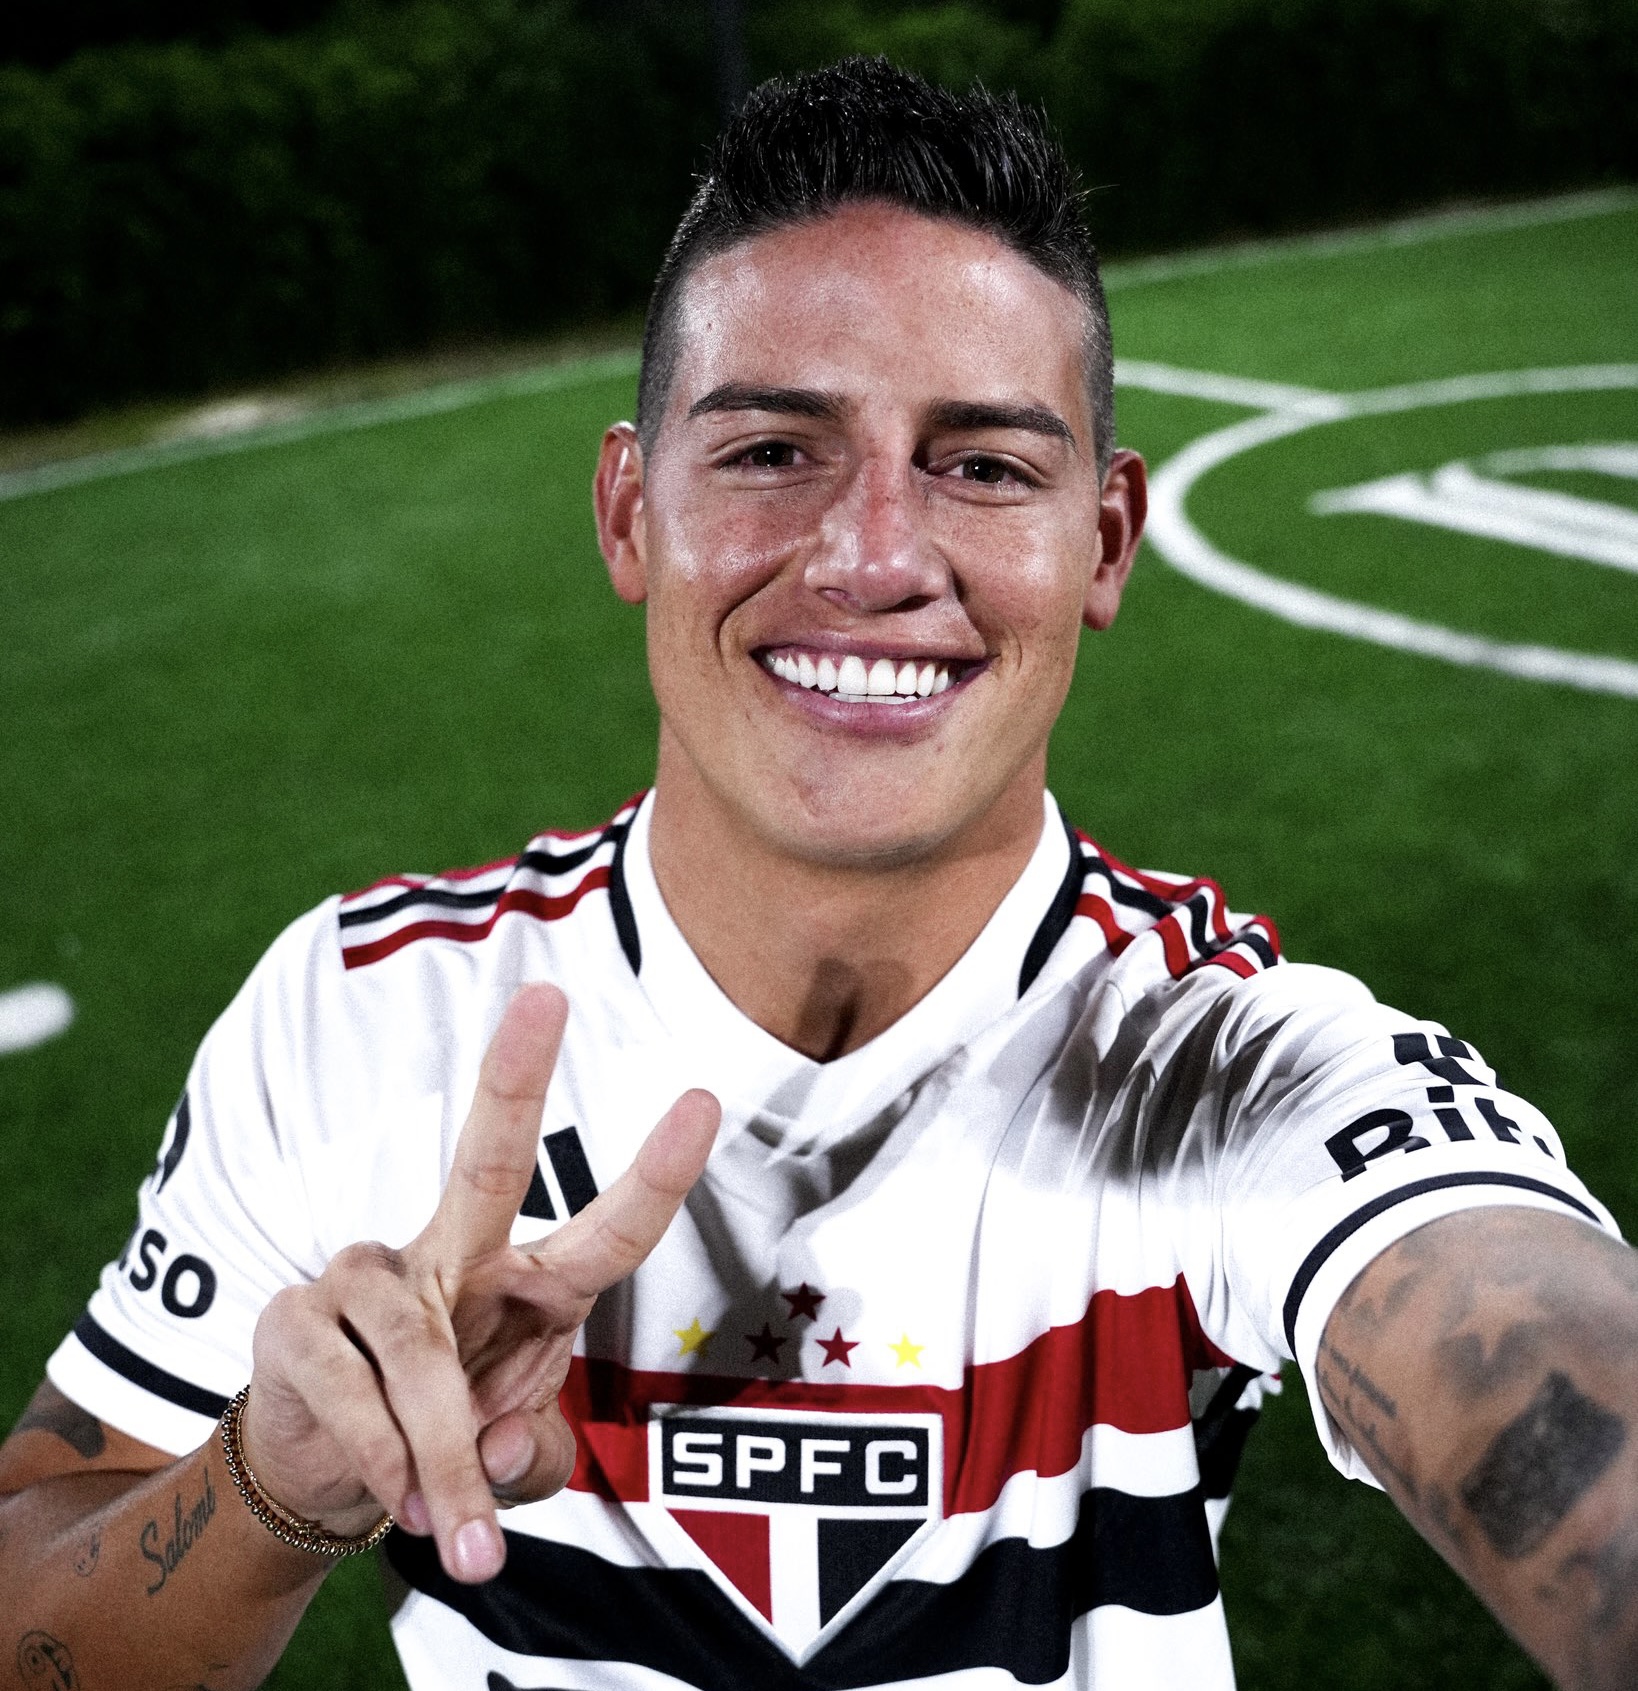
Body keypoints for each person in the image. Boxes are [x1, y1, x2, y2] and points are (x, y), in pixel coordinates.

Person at [2, 56, 1634, 1691]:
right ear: (628, 511)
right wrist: (271, 1489)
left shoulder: (1229, 1067)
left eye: (983, 465)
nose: (869, 558)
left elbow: (1518, 1336)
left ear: (1105, 543)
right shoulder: (366, 1017)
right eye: (774, 449)